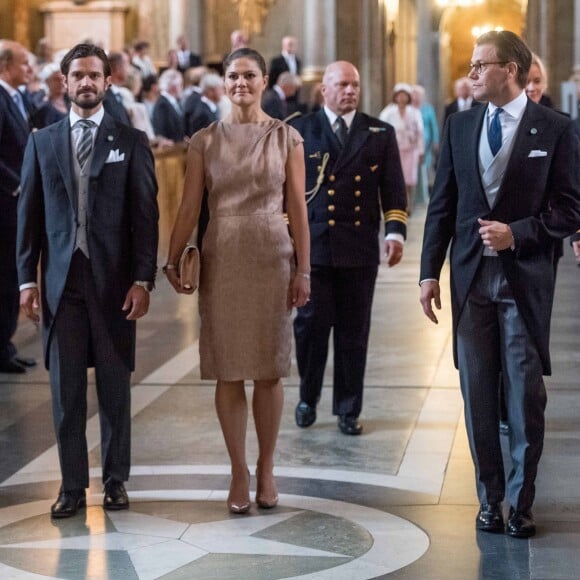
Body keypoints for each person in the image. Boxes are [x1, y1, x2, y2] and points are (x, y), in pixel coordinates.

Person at [419, 30, 580, 539]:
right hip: (469, 279)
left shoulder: (554, 129)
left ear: (509, 69)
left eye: (479, 65)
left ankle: (521, 501)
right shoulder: (460, 125)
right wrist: (428, 272)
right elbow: (443, 205)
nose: (470, 75)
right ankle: (489, 499)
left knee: (524, 396)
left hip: (523, 281)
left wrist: (520, 233)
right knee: (477, 395)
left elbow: (570, 209)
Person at [164, 47, 310, 514]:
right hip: (222, 253)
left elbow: (299, 211)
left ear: (265, 79)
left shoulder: (287, 137)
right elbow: (189, 207)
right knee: (227, 368)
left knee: (268, 368)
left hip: (271, 252)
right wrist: (171, 258)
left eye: (249, 74)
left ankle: (266, 468)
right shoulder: (204, 140)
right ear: (222, 82)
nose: (240, 83)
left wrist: (303, 269)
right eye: (232, 76)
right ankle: (238, 470)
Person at [17, 43, 159, 518]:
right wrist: (26, 282)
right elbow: (28, 219)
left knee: (115, 390)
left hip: (115, 283)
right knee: (66, 392)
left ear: (108, 81)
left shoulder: (131, 141)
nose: (86, 83)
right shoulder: (42, 142)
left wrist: (143, 279)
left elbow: (145, 217)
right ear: (64, 81)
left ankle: (116, 481)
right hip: (62, 285)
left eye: (95, 75)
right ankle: (72, 487)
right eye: (77, 75)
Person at [290, 61, 407, 436]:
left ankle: (347, 407)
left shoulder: (378, 132)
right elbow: (284, 191)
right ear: (323, 90)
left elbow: (393, 189)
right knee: (310, 328)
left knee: (354, 332)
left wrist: (395, 233)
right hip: (314, 249)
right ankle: (308, 396)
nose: (350, 91)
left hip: (358, 249)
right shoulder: (299, 130)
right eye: (342, 84)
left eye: (354, 85)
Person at [0, 40, 36, 374]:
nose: (29, 69)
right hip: (5, 202)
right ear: (6, 65)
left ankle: (5, 345)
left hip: (16, 202)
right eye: (24, 63)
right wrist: (17, 184)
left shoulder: (16, 96)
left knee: (12, 274)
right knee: (4, 275)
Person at [379, 82, 425, 213]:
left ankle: (408, 204)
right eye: (399, 95)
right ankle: (396, 204)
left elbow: (420, 133)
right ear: (395, 96)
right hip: (395, 150)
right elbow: (382, 129)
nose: (402, 98)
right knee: (395, 178)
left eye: (405, 96)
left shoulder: (414, 112)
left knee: (409, 179)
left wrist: (421, 151)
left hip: (411, 150)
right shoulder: (388, 112)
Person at [412, 84, 439, 203]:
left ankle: (423, 195)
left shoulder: (428, 108)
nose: (416, 97)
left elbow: (433, 125)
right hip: (411, 145)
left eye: (418, 95)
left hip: (426, 144)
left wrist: (436, 141)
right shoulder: (409, 108)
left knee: (425, 168)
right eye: (414, 95)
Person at [184, 72, 223, 136]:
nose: (222, 92)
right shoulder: (201, 113)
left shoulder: (213, 107)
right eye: (219, 89)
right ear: (210, 91)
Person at [31, 63, 68, 129]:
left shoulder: (71, 102)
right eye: (56, 79)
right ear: (47, 82)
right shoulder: (45, 109)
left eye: (62, 78)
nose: (61, 82)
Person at [152, 68, 185, 143]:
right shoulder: (162, 104)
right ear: (174, 87)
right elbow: (160, 130)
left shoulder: (173, 101)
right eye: (180, 85)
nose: (182, 88)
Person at [103, 51, 132, 126]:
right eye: (127, 64)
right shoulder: (105, 98)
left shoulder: (116, 95)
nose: (129, 70)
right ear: (117, 68)